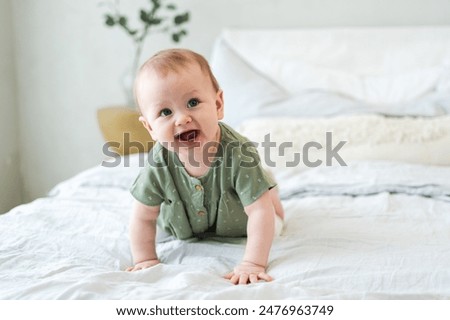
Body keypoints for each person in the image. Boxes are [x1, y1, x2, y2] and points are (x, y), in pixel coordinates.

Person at [126, 48, 284, 285]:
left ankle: (268, 189)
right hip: (183, 225)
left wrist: (252, 263)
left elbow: (259, 213)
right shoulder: (158, 162)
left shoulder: (239, 153)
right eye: (165, 112)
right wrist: (145, 259)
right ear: (149, 127)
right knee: (155, 230)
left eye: (192, 102)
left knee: (275, 220)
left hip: (238, 223)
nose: (181, 119)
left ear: (218, 104)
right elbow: (142, 217)